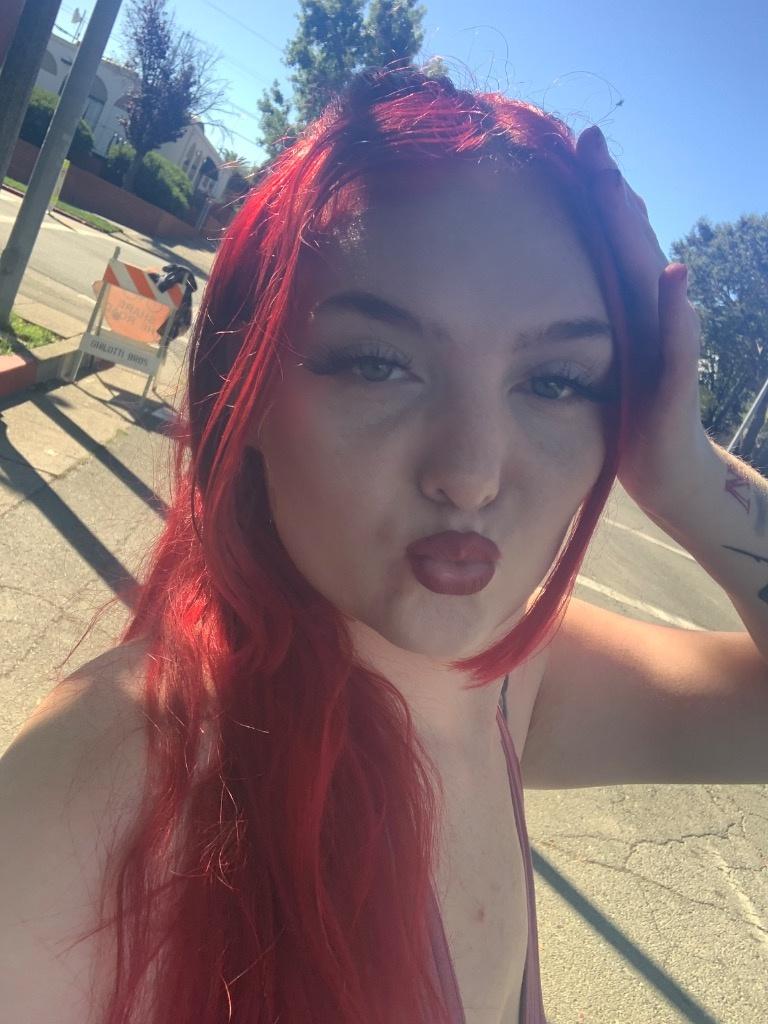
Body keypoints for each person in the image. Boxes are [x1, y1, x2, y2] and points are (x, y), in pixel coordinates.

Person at [2, 64, 768, 1024]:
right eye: (378, 364)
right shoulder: (101, 793)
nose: (471, 473)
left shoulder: (511, 684)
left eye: (558, 381)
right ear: (246, 387)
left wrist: (690, 476)